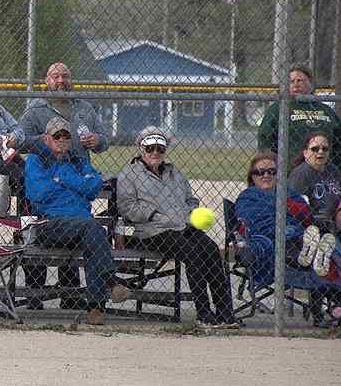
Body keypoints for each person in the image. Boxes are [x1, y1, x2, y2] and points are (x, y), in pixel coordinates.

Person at [116, 127, 237, 329]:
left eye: (160, 148)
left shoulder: (174, 173)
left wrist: (190, 214)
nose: (155, 152)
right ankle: (204, 314)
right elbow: (127, 206)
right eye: (150, 148)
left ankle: (225, 313)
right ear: (140, 148)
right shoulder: (129, 174)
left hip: (182, 226)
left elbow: (190, 199)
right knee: (192, 254)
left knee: (211, 250)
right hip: (152, 230)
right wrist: (154, 214)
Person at [19, 62, 110, 308]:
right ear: (46, 80)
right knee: (84, 226)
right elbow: (20, 140)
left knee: (82, 224)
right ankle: (36, 295)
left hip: (77, 167)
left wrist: (97, 139)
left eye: (65, 76)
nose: (61, 80)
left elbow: (105, 142)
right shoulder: (35, 109)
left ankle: (71, 296)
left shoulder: (84, 108)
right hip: (46, 172)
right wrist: (46, 143)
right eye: (55, 76)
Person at [24, 117, 129, 326]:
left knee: (93, 235)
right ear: (46, 139)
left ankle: (95, 309)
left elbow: (94, 186)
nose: (62, 140)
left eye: (66, 136)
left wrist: (62, 179)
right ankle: (110, 283)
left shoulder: (77, 161)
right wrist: (77, 183)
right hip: (50, 224)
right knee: (93, 228)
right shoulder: (36, 160)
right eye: (57, 136)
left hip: (81, 226)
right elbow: (39, 193)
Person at [236, 152, 341, 286]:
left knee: (317, 236)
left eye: (271, 171)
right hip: (267, 235)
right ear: (252, 177)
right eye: (260, 172)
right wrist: (281, 204)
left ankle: (311, 256)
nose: (266, 175)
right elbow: (248, 220)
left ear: (278, 175)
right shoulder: (247, 196)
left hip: (295, 233)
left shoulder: (288, 193)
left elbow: (306, 214)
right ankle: (312, 257)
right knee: (286, 237)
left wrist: (283, 202)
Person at [258, 65, 341, 172]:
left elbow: (339, 139)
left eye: (300, 80)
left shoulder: (325, 109)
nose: (296, 84)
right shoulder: (278, 108)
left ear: (311, 84)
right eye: (291, 81)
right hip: (290, 170)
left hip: (324, 169)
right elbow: (266, 139)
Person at [288, 132, 341, 234]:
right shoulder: (300, 175)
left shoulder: (333, 171)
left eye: (325, 149)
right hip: (314, 229)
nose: (320, 152)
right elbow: (298, 210)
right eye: (315, 149)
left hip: (336, 224)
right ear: (305, 153)